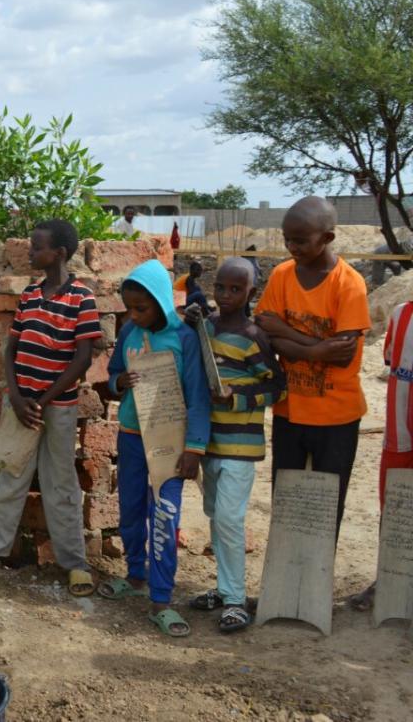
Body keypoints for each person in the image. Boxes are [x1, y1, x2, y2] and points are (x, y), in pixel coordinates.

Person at [0, 219, 100, 598]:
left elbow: (83, 359)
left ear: (60, 253)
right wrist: (18, 399)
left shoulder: (81, 298)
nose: (31, 253)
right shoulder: (31, 294)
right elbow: (12, 350)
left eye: (37, 247)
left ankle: (75, 563)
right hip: (22, 406)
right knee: (11, 476)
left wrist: (42, 401)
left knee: (61, 482)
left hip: (58, 408)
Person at [98, 259, 211, 638]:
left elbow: (198, 396)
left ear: (162, 302)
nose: (134, 315)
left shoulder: (184, 339)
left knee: (164, 516)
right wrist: (119, 382)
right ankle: (135, 575)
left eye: (141, 308)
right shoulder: (130, 331)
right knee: (130, 509)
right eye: (129, 308)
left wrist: (194, 449)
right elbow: (112, 375)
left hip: (169, 441)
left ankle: (161, 598)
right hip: (131, 435)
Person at [255, 197, 369, 536]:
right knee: (286, 502)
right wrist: (319, 348)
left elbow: (342, 354)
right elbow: (267, 338)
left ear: (327, 238)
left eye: (301, 241)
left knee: (326, 507)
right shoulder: (282, 275)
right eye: (287, 239)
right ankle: (284, 569)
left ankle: (320, 570)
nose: (291, 247)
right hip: (289, 410)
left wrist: (289, 334)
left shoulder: (349, 284)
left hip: (337, 417)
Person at [183, 259, 286, 633]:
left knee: (228, 518)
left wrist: (237, 397)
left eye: (235, 289)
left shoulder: (253, 336)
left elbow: (277, 387)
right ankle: (225, 588)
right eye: (221, 287)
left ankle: (236, 600)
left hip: (240, 446)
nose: (226, 295)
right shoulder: (206, 327)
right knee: (215, 515)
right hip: (209, 441)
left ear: (250, 293)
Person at [350, 299, 413, 611]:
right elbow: (391, 360)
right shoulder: (401, 313)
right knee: (392, 501)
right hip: (399, 432)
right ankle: (388, 576)